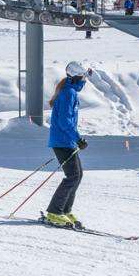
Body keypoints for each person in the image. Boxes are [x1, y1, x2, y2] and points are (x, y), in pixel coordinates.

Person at [43, 62, 89, 228]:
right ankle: (55, 212)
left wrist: (75, 139)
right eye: (84, 77)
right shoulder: (69, 93)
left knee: (77, 175)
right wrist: (77, 138)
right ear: (77, 77)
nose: (85, 80)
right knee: (73, 176)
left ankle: (64, 210)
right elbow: (64, 121)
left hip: (65, 141)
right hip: (63, 141)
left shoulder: (69, 91)